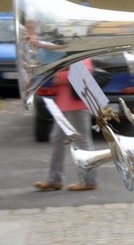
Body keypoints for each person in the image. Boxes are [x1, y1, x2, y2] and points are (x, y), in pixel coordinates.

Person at [33, 58, 97, 191]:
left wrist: (59, 77)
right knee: (58, 139)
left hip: (78, 104)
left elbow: (85, 71)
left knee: (83, 141)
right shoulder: (64, 54)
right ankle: (55, 180)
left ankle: (89, 181)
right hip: (64, 104)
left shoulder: (81, 52)